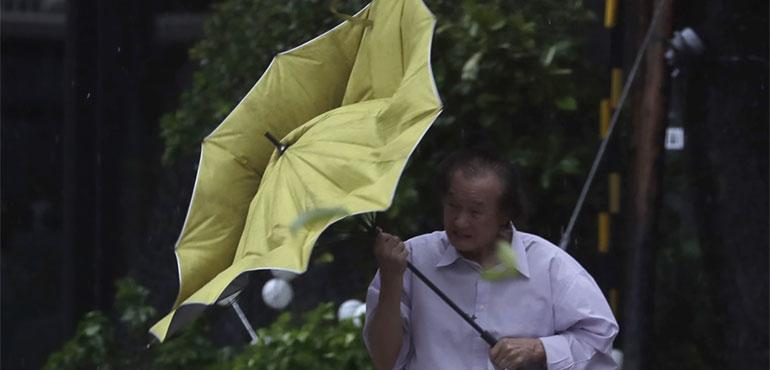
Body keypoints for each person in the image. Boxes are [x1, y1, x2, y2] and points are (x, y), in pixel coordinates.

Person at [363, 149, 619, 370]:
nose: (460, 221)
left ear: (505, 214)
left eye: (475, 211)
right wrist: (391, 278)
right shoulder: (411, 259)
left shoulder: (551, 266)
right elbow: (385, 361)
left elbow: (598, 336)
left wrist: (540, 348)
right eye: (453, 206)